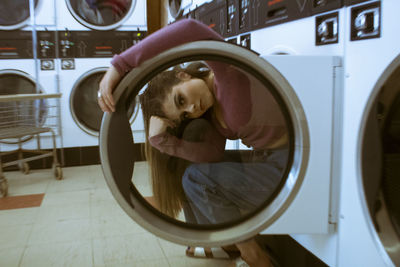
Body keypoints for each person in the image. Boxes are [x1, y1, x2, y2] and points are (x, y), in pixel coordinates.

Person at [98, 18, 288, 267]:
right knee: (191, 172)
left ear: (183, 75)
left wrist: (119, 65)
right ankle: (221, 241)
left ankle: (252, 254)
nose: (192, 108)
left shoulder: (225, 74)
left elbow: (190, 28)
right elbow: (212, 154)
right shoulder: (211, 110)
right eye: (184, 113)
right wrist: (164, 142)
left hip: (294, 163)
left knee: (196, 178)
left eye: (180, 99)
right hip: (273, 163)